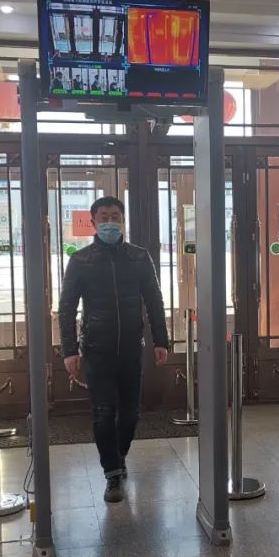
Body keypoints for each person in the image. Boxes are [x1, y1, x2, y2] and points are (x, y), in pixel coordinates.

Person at [57, 197, 169, 503]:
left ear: (123, 221)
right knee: (103, 413)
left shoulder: (139, 257)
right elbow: (66, 309)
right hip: (96, 350)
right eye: (104, 217)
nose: (110, 222)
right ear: (93, 222)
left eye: (115, 216)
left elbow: (155, 301)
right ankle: (113, 474)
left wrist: (161, 340)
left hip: (132, 348)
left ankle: (118, 456)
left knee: (130, 414)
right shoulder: (80, 261)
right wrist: (69, 350)